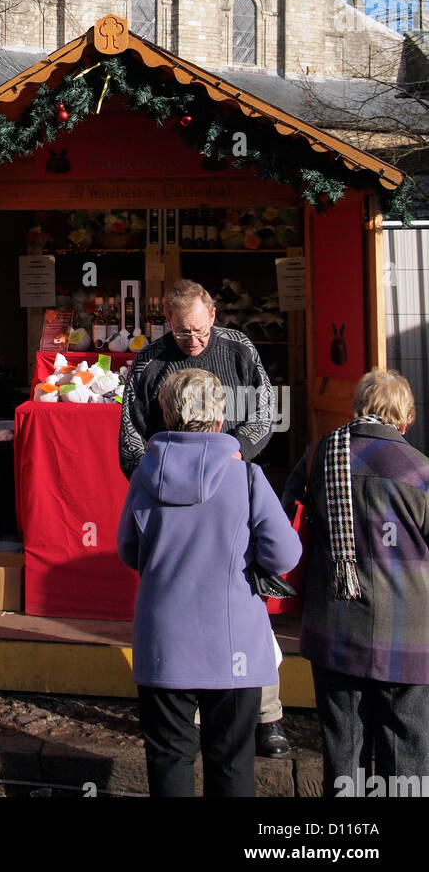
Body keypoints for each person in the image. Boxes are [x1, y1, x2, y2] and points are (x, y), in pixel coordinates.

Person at [119, 278, 288, 756]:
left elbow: (263, 410)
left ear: (212, 315)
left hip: (231, 485)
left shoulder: (238, 348)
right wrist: (151, 475)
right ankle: (187, 717)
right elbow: (130, 433)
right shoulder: (150, 361)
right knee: (182, 606)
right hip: (169, 493)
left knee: (244, 598)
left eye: (198, 330)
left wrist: (237, 458)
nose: (192, 341)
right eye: (181, 332)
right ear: (167, 324)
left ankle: (266, 714)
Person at [118, 369, 301, 797]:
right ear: (220, 417)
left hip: (164, 640)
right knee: (232, 764)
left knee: (168, 759)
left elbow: (129, 550)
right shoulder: (248, 478)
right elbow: (285, 555)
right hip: (235, 643)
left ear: (166, 415)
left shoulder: (145, 476)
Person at [282, 369, 429, 797]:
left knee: (344, 751)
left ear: (358, 407)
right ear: (405, 418)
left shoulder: (318, 457)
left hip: (334, 628)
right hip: (407, 636)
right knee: (406, 758)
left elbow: (283, 533)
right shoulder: (420, 471)